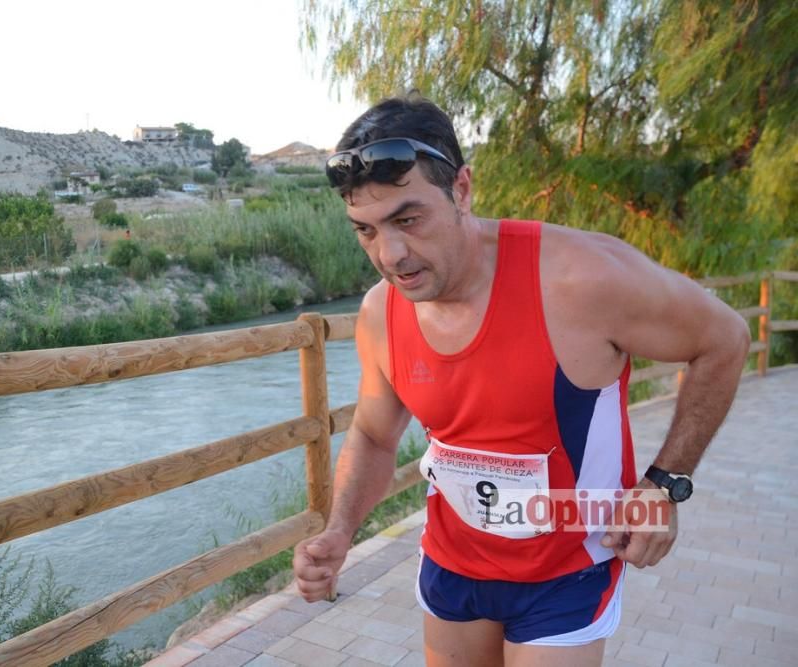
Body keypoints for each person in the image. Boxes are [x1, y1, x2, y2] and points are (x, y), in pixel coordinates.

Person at [292, 96, 750, 667]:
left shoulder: (581, 278)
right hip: (452, 565)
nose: (391, 254)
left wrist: (665, 485)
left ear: (462, 189)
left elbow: (725, 340)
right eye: (366, 230)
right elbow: (374, 435)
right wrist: (340, 533)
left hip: (567, 572)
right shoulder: (381, 311)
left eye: (408, 219)